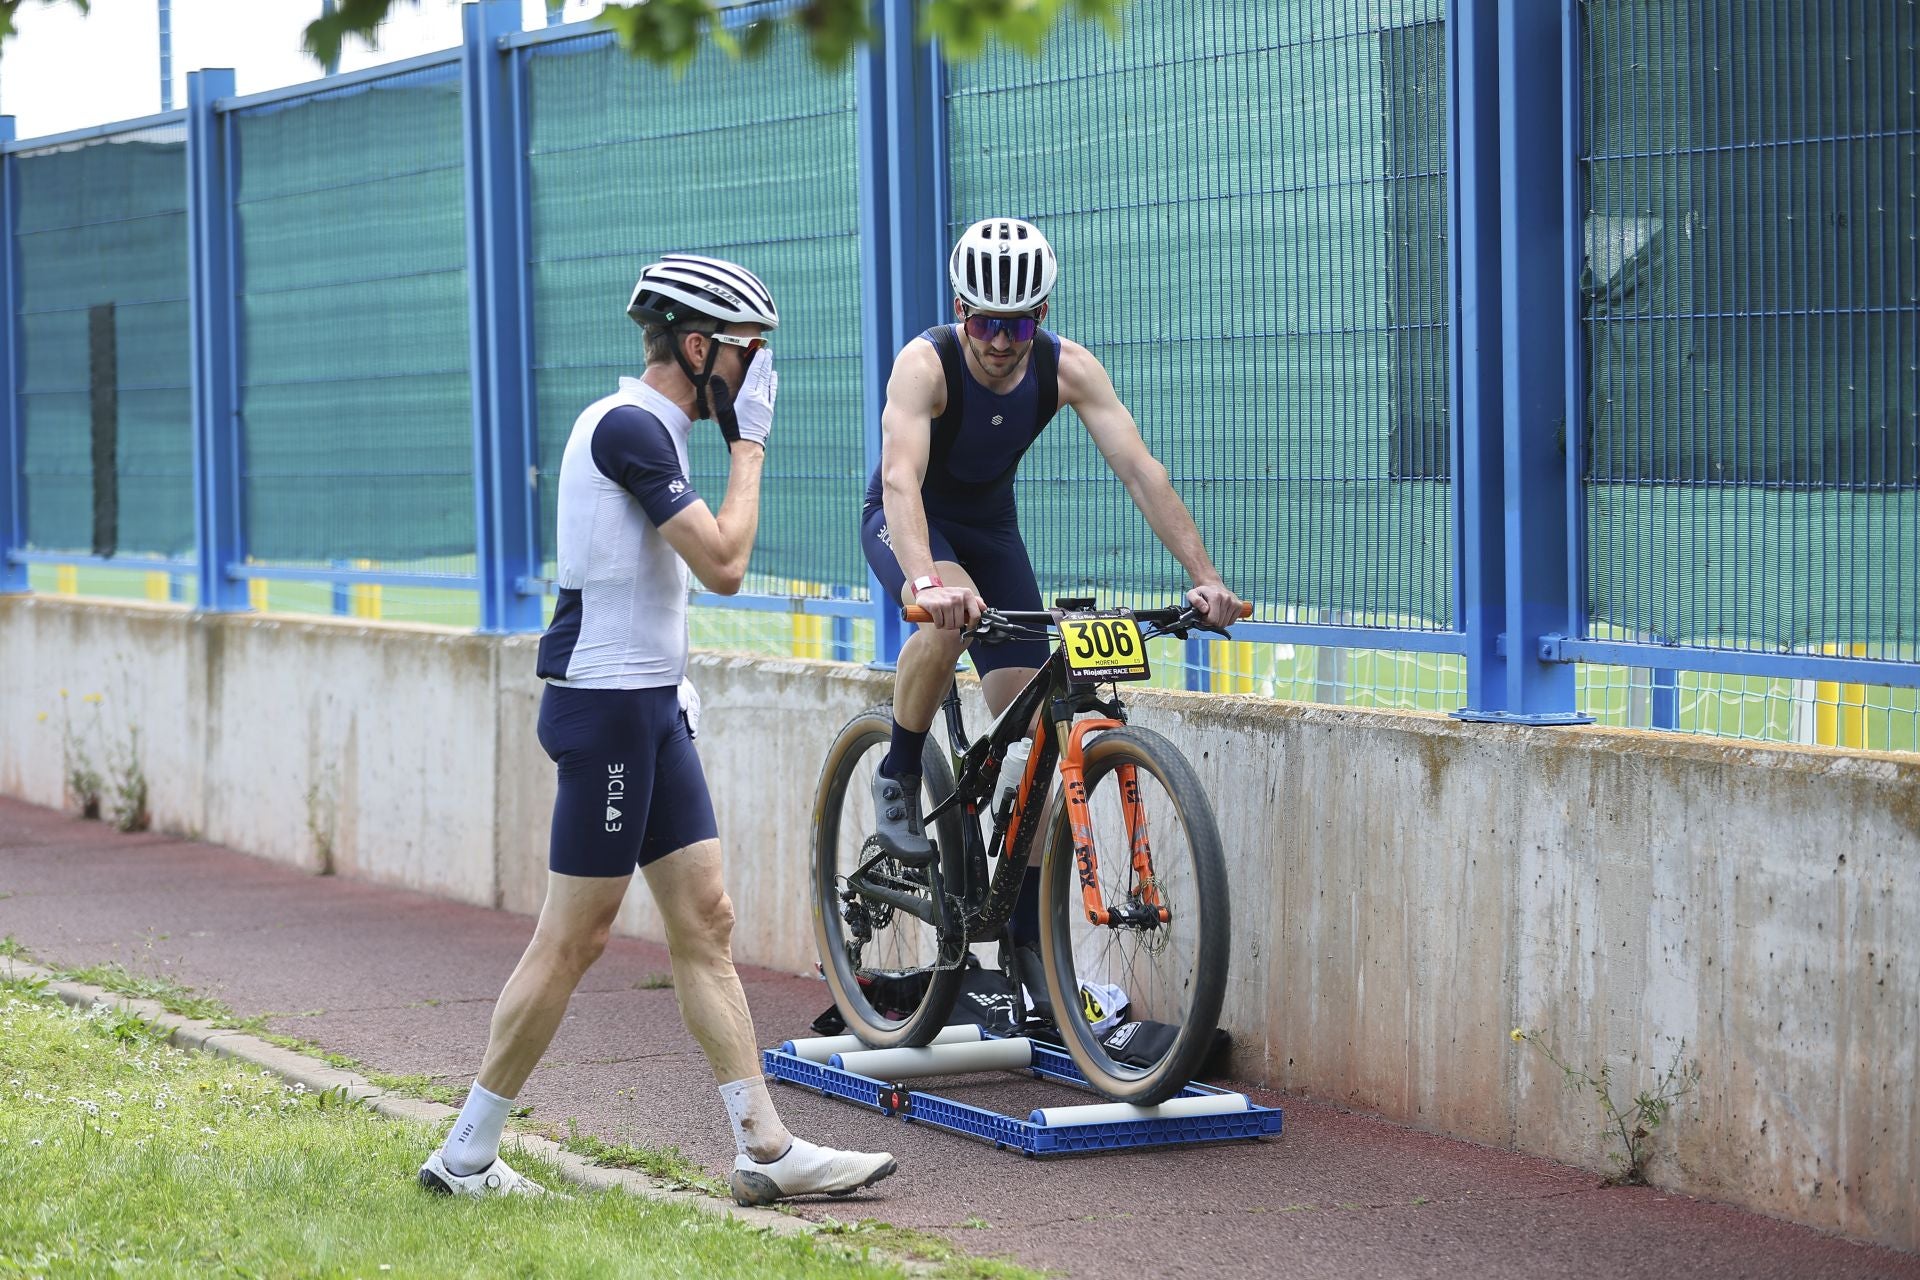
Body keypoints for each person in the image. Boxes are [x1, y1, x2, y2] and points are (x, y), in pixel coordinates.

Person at [419, 253, 896, 1206]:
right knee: (575, 938)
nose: (756, 376)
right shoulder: (631, 427)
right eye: (747, 355)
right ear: (696, 345)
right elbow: (723, 563)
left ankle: (764, 1146)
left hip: (651, 708)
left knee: (705, 921)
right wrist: (752, 447)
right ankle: (464, 1155)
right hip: (606, 712)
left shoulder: (658, 432)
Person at [860, 217, 1242, 921]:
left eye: (1018, 326)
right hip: (908, 520)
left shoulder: (1068, 369)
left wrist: (1206, 577)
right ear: (960, 313)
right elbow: (901, 481)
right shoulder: (925, 365)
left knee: (1039, 741)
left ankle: (1029, 945)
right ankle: (899, 771)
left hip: (992, 530)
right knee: (947, 624)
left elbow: (1140, 470)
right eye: (985, 327)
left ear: (1041, 316)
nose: (1002, 345)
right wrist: (924, 581)